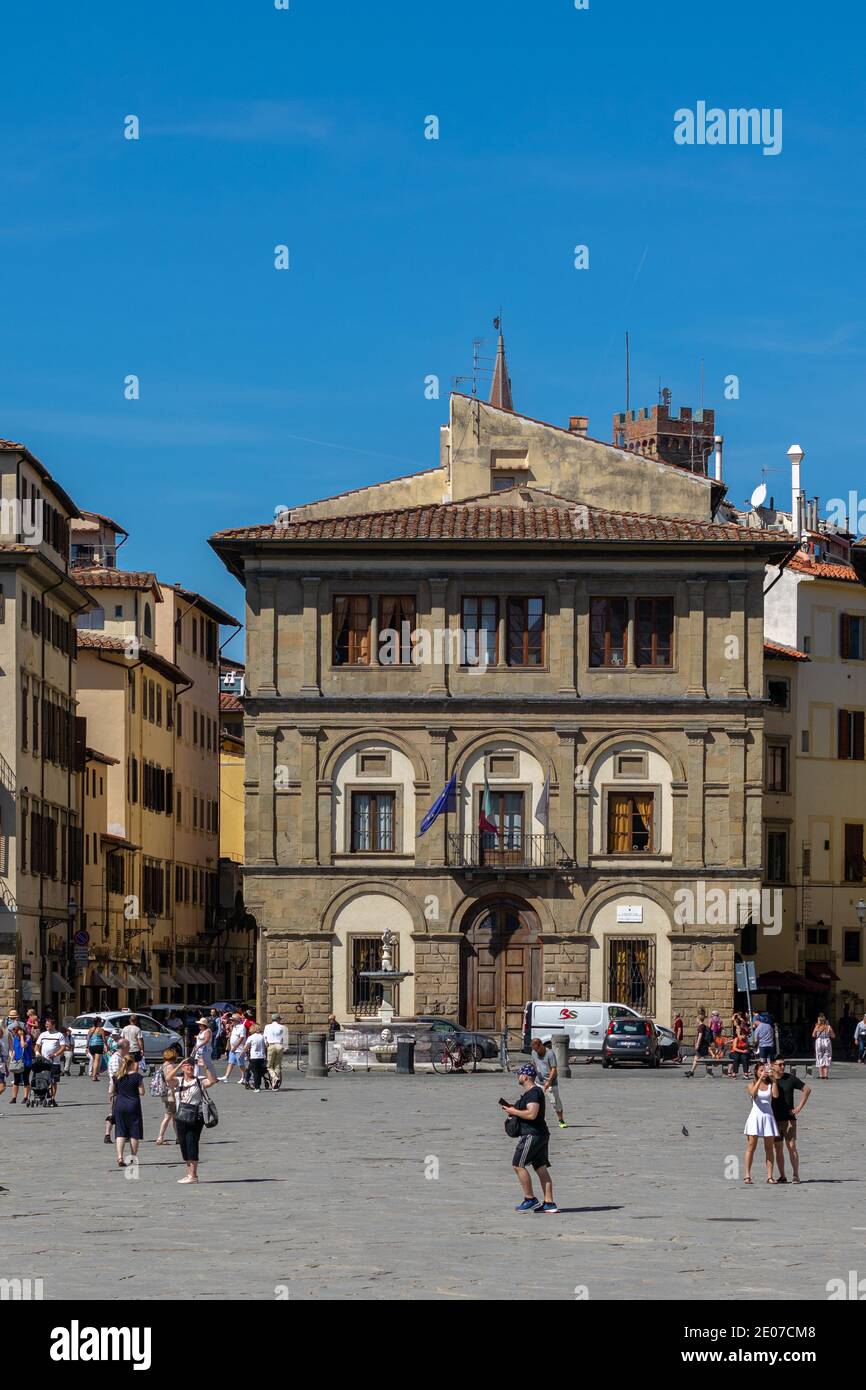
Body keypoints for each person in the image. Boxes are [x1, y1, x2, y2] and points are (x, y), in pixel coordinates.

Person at [500, 1063, 558, 1214]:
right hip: (541, 1134)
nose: (518, 1077)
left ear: (525, 1076)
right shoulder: (533, 1093)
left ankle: (529, 1199)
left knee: (518, 1164)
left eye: (519, 1074)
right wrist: (514, 1109)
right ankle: (549, 1203)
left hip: (532, 1134)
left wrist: (513, 1111)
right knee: (540, 1167)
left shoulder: (533, 1093)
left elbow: (532, 1114)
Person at [165, 1054, 217, 1183]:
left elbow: (212, 1080)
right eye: (187, 1065)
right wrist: (179, 1065)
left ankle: (193, 1175)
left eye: (191, 1065)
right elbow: (167, 1078)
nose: (189, 1067)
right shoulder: (178, 1081)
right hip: (181, 1116)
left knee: (192, 1143)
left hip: (195, 1116)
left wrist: (205, 1067)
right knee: (183, 1144)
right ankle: (189, 1174)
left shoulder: (198, 1080)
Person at [771, 1059, 811, 1183]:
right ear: (772, 1065)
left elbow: (807, 1089)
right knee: (777, 1148)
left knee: (791, 1146)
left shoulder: (790, 1078)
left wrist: (799, 1107)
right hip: (774, 1119)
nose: (783, 1066)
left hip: (789, 1119)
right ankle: (782, 1176)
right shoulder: (769, 1079)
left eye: (784, 1064)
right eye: (780, 1064)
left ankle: (795, 1174)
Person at [743, 1061, 780, 1184]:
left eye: (765, 1070)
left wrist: (774, 1080)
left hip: (768, 1117)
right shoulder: (751, 1084)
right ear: (756, 1072)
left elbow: (775, 1095)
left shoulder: (770, 1084)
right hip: (755, 1118)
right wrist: (759, 1080)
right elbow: (753, 1094)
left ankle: (770, 1176)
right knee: (751, 1147)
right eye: (761, 1070)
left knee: (769, 1148)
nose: (763, 1072)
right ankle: (747, 1175)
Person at [111, 1053, 145, 1169]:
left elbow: (112, 1090)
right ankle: (132, 1157)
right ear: (133, 1063)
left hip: (120, 1104)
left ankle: (120, 1157)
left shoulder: (117, 1076)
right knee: (134, 1132)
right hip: (133, 1104)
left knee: (120, 1131)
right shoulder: (137, 1076)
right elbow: (142, 1092)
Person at [529, 1036, 566, 1128]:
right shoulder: (533, 1052)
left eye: (537, 1049)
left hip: (550, 1082)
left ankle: (561, 1120)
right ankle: (538, 1121)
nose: (536, 1051)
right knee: (536, 1101)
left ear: (541, 1045)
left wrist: (549, 1081)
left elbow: (554, 1069)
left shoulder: (550, 1054)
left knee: (555, 1102)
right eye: (534, 1049)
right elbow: (534, 1064)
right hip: (538, 1082)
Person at [34, 1018, 67, 1101]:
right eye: (46, 1025)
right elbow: (37, 1045)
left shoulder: (59, 1035)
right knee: (42, 1079)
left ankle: (52, 1098)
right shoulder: (43, 1034)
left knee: (53, 1081)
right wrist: (37, 1053)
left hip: (54, 1062)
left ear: (53, 1025)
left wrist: (55, 1054)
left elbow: (63, 1047)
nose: (46, 1026)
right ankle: (42, 1095)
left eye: (48, 1025)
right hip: (43, 1062)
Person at [154, 1047, 181, 1145]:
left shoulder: (163, 1065)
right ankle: (160, 1137)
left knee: (173, 1116)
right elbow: (171, 1080)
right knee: (169, 1116)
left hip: (165, 1093)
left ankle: (178, 1137)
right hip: (171, 1093)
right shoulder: (170, 1066)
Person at [8, 1022, 33, 1104]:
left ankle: (25, 1097)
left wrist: (22, 1036)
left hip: (26, 1062)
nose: (14, 1031)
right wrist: (12, 1056)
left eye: (16, 1029)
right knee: (16, 1080)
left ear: (21, 1030)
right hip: (17, 1062)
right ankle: (14, 1098)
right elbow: (15, 1049)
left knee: (26, 1079)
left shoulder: (28, 1037)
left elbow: (23, 1046)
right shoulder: (15, 1038)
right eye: (14, 1030)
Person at [264, 1013, 288, 1090]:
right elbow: (285, 1039)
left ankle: (275, 1077)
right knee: (277, 1065)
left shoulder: (267, 1027)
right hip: (279, 1045)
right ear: (278, 1019)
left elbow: (265, 1038)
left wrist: (266, 1046)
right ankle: (274, 1084)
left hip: (271, 1045)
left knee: (269, 1066)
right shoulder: (283, 1027)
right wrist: (285, 1048)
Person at [221, 1015, 247, 1084]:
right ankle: (226, 1076)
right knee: (230, 1062)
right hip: (233, 1048)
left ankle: (245, 1076)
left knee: (240, 1064)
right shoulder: (234, 1027)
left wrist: (235, 1046)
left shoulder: (241, 1027)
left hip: (239, 1048)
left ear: (236, 1021)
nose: (231, 1021)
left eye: (232, 1020)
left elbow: (241, 1038)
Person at [686, 1010, 711, 1077]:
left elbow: (700, 1035)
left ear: (699, 1019)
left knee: (701, 1059)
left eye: (697, 1019)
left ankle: (693, 1072)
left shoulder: (700, 1026)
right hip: (704, 1045)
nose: (696, 1020)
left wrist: (697, 1044)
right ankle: (692, 1071)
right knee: (704, 1059)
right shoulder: (704, 1026)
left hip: (701, 1045)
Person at [193, 1017, 218, 1084]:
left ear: (204, 1025)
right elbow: (199, 1039)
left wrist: (199, 1046)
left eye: (200, 1024)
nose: (199, 1026)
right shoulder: (201, 1031)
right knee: (196, 1063)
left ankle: (214, 1077)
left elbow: (206, 1040)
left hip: (205, 1050)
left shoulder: (208, 1031)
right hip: (199, 1050)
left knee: (207, 1064)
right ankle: (196, 1076)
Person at [243, 1025, 267, 1092]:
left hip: (254, 1057)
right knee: (259, 1072)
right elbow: (266, 1045)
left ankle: (257, 1087)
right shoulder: (262, 1036)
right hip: (261, 1056)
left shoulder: (251, 1037)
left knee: (255, 1072)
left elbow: (246, 1047)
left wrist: (243, 1052)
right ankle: (257, 1085)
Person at [812, 1014, 834, 1079]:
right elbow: (833, 1035)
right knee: (827, 1056)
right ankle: (826, 1075)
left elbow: (813, 1035)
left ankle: (821, 1075)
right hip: (827, 1042)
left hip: (819, 1042)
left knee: (819, 1057)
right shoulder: (828, 1027)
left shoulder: (817, 1027)